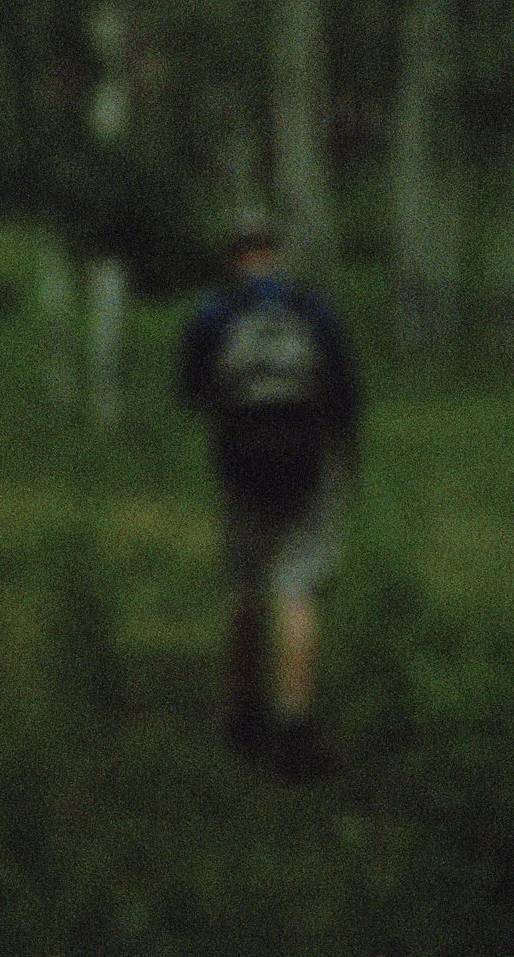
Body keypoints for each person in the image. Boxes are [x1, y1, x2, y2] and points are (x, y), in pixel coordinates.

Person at [178, 210, 363, 780]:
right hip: (305, 462)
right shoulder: (311, 308)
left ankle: (241, 712)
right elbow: (345, 389)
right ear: (274, 251)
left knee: (243, 585)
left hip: (239, 463)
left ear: (232, 255)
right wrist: (347, 457)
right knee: (298, 586)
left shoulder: (212, 313)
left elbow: (191, 393)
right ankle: (294, 722)